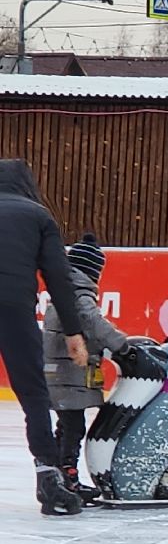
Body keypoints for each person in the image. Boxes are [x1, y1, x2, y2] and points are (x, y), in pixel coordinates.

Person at [0, 158, 90, 516]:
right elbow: (59, 278)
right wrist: (73, 330)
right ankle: (48, 479)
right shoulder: (38, 216)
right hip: (14, 310)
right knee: (34, 395)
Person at [43, 233, 132, 502]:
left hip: (59, 372)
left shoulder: (64, 290)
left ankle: (59, 474)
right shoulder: (80, 294)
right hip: (68, 373)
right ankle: (68, 476)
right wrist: (122, 345)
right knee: (73, 427)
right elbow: (93, 322)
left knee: (66, 425)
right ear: (92, 272)